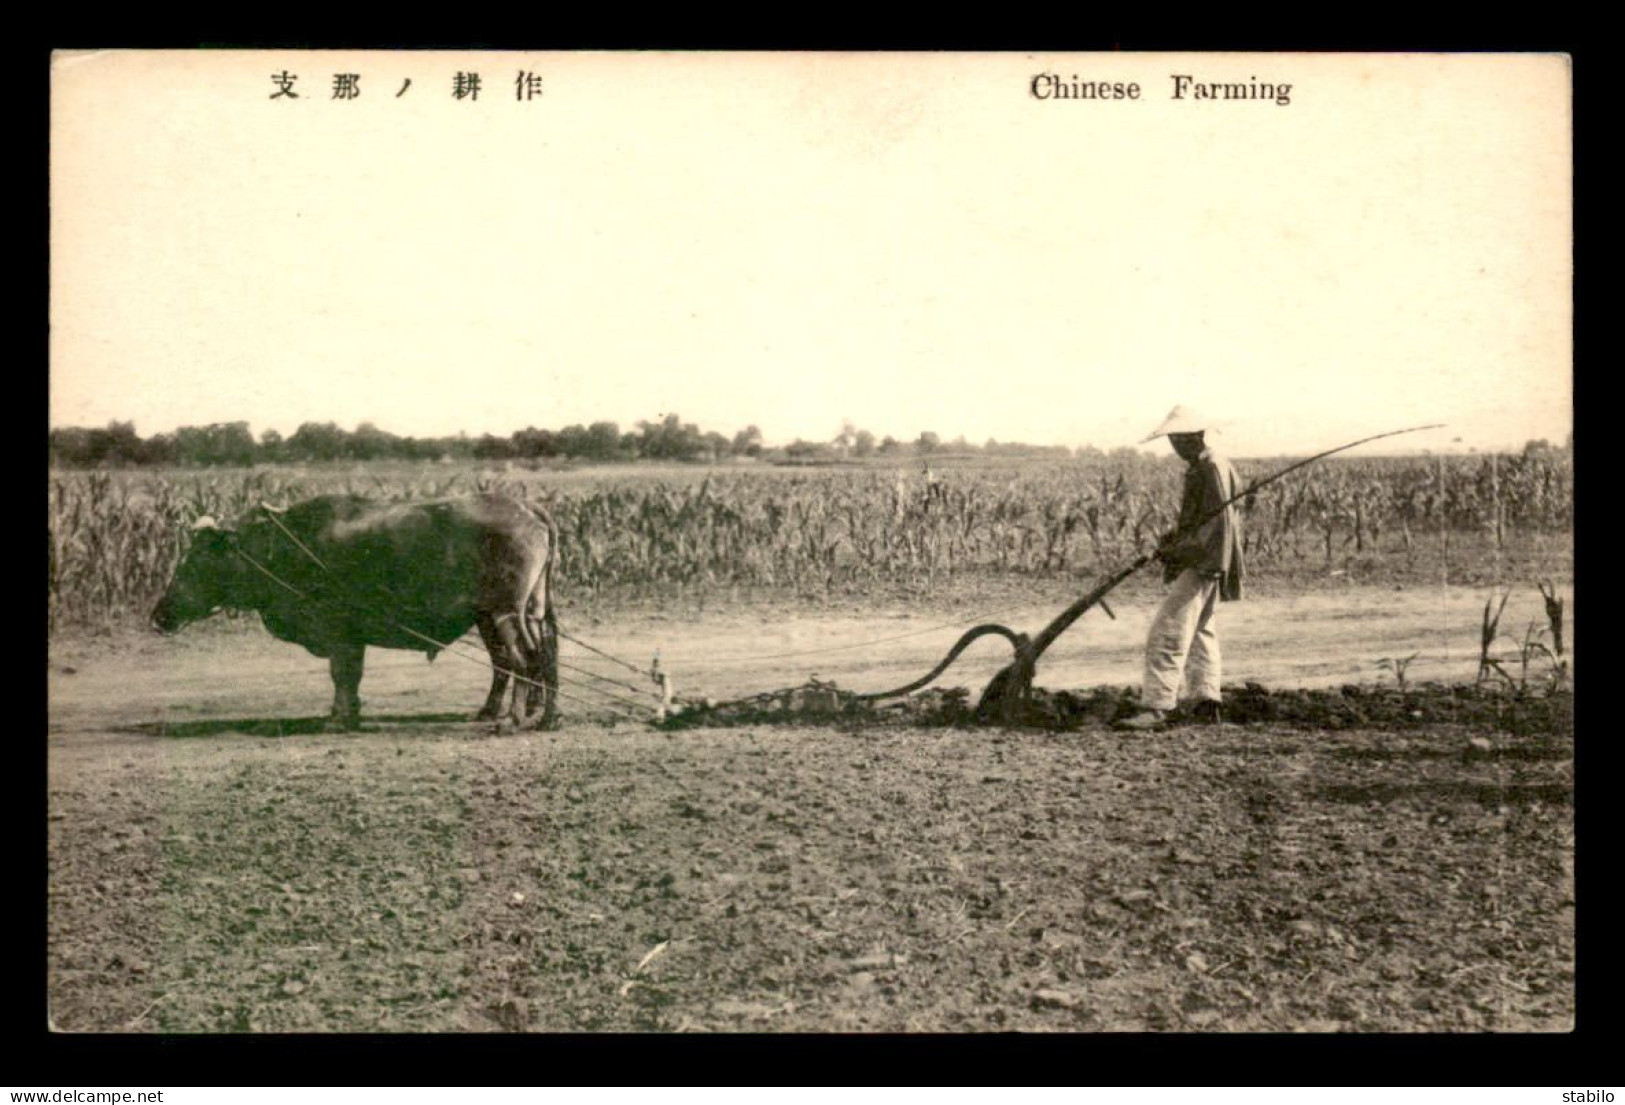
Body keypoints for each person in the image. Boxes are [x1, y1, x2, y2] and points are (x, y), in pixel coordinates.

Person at [1115, 406, 1245, 731]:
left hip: (1204, 560)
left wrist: (1178, 550)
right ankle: (1206, 701)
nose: (1174, 447)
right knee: (1201, 631)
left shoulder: (1210, 468)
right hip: (1210, 558)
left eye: (1177, 440)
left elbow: (1214, 526)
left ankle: (1158, 707)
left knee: (1168, 630)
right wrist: (1173, 540)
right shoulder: (1209, 465)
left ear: (1192, 438)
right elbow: (1200, 520)